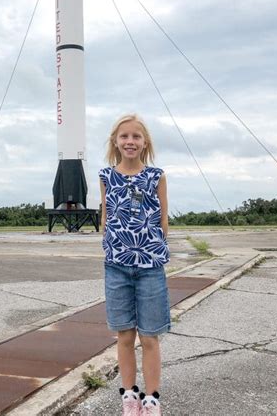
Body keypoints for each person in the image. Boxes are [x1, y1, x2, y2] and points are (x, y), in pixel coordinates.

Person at [99, 114, 171, 416]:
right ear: (116, 142)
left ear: (145, 143)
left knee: (150, 336)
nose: (130, 141)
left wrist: (150, 248)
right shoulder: (105, 176)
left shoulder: (157, 176)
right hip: (117, 267)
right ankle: (129, 396)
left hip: (150, 266)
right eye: (124, 136)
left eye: (136, 137)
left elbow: (163, 220)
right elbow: (106, 216)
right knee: (124, 335)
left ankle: (151, 399)